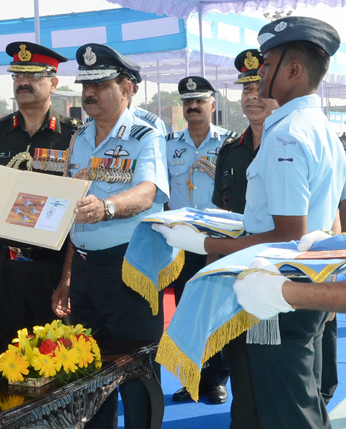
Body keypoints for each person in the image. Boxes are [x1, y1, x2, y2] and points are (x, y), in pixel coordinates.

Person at [154, 17, 346, 428]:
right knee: (264, 407)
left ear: (294, 71)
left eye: (269, 60)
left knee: (287, 412)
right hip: (297, 286)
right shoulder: (320, 128)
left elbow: (286, 235)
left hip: (276, 290)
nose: (260, 69)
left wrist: (204, 245)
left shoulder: (287, 134)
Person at [51, 43, 168, 429]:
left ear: (127, 88)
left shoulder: (144, 134)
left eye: (100, 83)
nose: (89, 93)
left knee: (137, 376)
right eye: (85, 83)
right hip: (85, 274)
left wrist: (107, 207)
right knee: (91, 377)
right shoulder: (80, 138)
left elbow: (148, 191)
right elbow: (72, 213)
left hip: (128, 269)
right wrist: (67, 276)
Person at [0, 41, 81, 339]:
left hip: (53, 270)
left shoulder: (75, 135)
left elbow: (79, 215)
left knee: (57, 363)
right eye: (17, 76)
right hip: (3, 270)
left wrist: (68, 278)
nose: (23, 82)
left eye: (33, 75)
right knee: (2, 362)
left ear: (54, 83)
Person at [210, 49, 278, 428]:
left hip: (278, 276)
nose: (251, 97)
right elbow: (219, 214)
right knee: (241, 367)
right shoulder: (230, 153)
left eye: (258, 88)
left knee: (277, 373)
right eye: (245, 89)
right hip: (236, 275)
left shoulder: (288, 145)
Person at [165, 75, 237, 404]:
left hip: (219, 244)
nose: (192, 106)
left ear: (213, 105)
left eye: (199, 101)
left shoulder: (229, 144)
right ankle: (192, 378)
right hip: (182, 243)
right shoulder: (169, 144)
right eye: (187, 102)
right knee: (186, 311)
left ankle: (217, 378)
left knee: (216, 311)